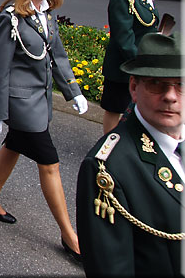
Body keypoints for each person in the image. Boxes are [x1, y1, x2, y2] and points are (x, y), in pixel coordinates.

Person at [0, 0, 87, 261]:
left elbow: (58, 56)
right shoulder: (11, 18)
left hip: (40, 100)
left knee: (13, 145)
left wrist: (74, 92)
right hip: (22, 104)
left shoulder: (46, 14)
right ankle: (69, 236)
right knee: (50, 163)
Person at [76, 33, 183, 276]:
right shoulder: (109, 168)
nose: (170, 96)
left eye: (181, 84)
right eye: (156, 83)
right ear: (134, 87)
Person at [101, 0, 159, 134]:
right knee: (115, 109)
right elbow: (124, 39)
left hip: (140, 63)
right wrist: (141, 66)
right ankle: (108, 147)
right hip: (124, 66)